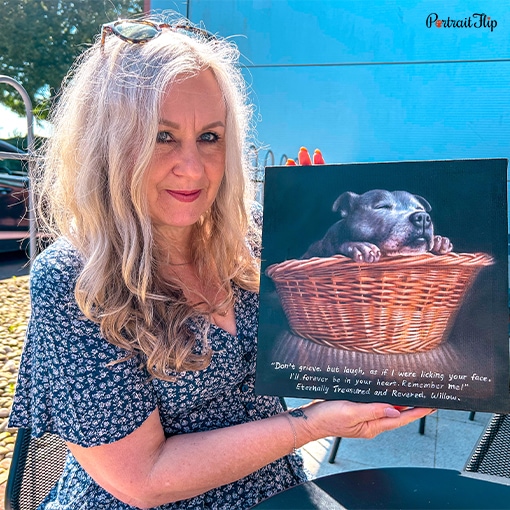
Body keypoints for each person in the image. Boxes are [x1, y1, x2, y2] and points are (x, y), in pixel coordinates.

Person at [8, 14, 434, 509]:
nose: (192, 167)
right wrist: (310, 425)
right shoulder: (74, 279)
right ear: (106, 145)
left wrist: (311, 231)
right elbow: (141, 479)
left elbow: (327, 322)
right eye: (161, 136)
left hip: (278, 491)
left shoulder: (245, 238)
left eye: (209, 137)